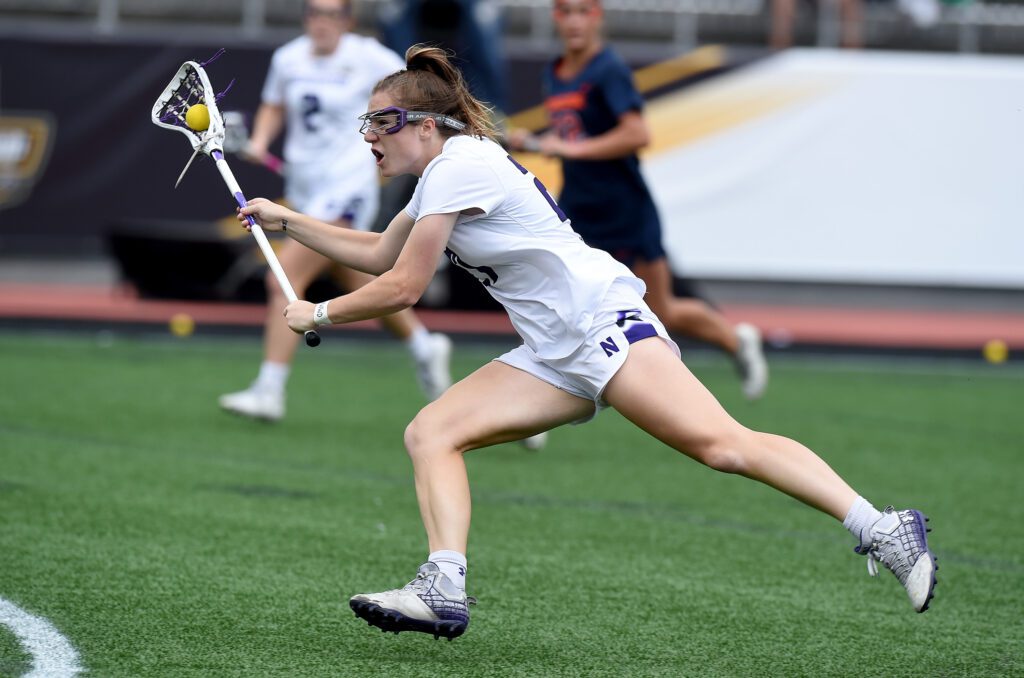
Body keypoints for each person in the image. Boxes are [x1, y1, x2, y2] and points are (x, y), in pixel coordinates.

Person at [236, 45, 938, 640]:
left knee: (722, 445)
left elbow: (403, 287)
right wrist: (287, 220)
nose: (370, 136)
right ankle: (443, 586)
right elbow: (379, 254)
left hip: (602, 326)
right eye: (368, 123)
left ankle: (883, 526)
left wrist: (318, 315)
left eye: (382, 121)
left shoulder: (458, 166)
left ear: (426, 125)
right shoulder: (436, 178)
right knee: (432, 432)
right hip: (551, 350)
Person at [506, 0, 768, 401]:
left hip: (624, 206)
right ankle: (537, 393)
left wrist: (572, 149)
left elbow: (637, 134)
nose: (574, 21)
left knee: (662, 306)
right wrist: (536, 142)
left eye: (583, 11)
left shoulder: (608, 69)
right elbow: (569, 135)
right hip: (579, 204)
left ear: (598, 17)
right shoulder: (554, 73)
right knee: (557, 300)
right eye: (564, 11)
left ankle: (736, 342)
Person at [219, 0, 453, 422]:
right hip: (306, 187)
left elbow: (416, 86)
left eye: (331, 14)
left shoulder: (369, 58)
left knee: (284, 279)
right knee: (353, 274)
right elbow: (274, 104)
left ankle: (270, 388)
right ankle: (423, 345)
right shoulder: (288, 57)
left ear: (348, 20)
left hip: (348, 185)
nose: (321, 22)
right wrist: (260, 138)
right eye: (313, 12)